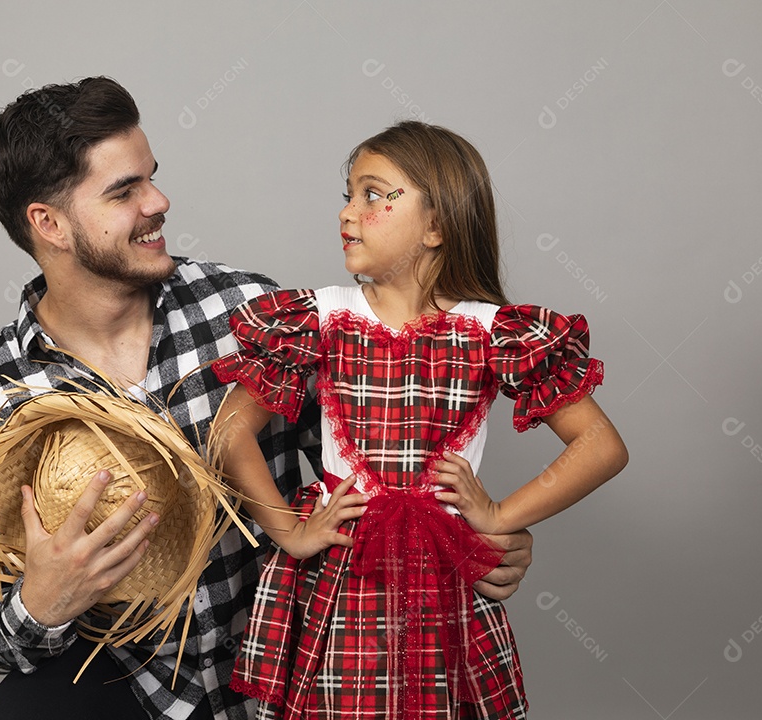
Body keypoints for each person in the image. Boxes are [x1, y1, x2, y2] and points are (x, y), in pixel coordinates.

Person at [0, 78, 534, 720]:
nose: (159, 202)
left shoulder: (249, 315)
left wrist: (482, 530)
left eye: (151, 177)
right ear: (48, 223)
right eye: (124, 191)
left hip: (292, 655)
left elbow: (376, 459)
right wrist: (42, 601)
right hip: (135, 685)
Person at [210, 121, 628, 719]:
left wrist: (500, 515)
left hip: (442, 579)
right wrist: (289, 531)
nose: (348, 213)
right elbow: (229, 432)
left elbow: (600, 445)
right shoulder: (319, 318)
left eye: (375, 195)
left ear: (436, 226)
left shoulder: (495, 333)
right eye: (348, 195)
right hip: (342, 572)